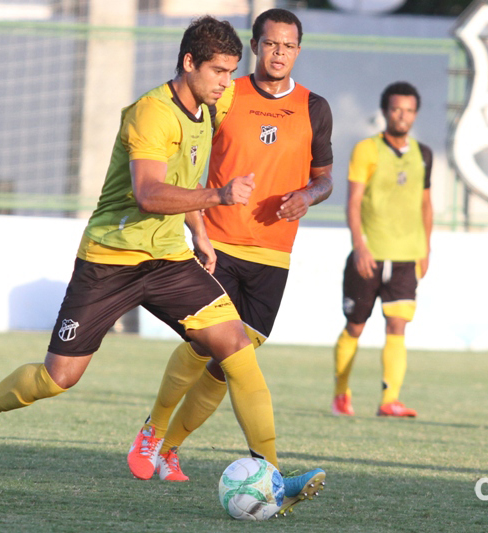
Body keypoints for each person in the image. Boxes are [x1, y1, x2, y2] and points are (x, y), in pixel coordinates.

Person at [0, 16, 323, 508]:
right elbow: (148, 193)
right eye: (219, 72)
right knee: (58, 377)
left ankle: (273, 475)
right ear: (188, 64)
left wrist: (199, 234)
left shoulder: (214, 101)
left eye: (232, 72)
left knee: (236, 347)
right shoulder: (151, 113)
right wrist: (216, 198)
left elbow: (196, 162)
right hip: (110, 260)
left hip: (168, 258)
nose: (228, 84)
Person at [126, 8, 331, 513]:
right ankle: (153, 432)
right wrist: (197, 222)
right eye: (271, 43)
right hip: (219, 244)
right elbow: (191, 157)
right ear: (257, 46)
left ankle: (168, 449)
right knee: (205, 348)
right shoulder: (227, 93)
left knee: (224, 369)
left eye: (289, 45)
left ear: (298, 50)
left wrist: (309, 195)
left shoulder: (315, 107)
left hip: (273, 256)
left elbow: (325, 177)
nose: (279, 52)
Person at [331, 81, 432, 418]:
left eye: (409, 110)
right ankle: (341, 393)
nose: (402, 116)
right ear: (386, 112)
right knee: (355, 327)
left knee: (398, 326)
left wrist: (425, 248)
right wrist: (359, 245)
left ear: (415, 115)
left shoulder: (424, 154)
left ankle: (390, 400)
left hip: (406, 256)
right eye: (396, 109)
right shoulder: (367, 150)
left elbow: (425, 205)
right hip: (370, 255)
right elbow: (354, 202)